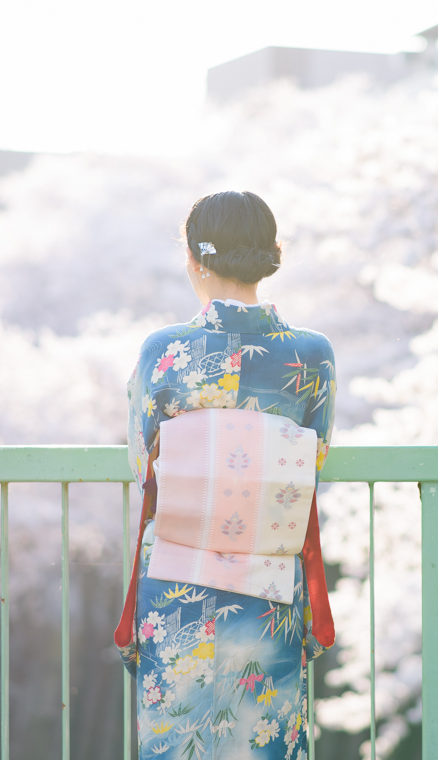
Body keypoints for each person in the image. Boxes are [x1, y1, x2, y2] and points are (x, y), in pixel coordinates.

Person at [117, 190, 335, 759]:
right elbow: (314, 459)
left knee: (176, 739)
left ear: (195, 259)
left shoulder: (165, 351)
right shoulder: (313, 355)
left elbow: (143, 463)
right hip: (268, 580)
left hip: (177, 578)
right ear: (270, 256)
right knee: (265, 739)